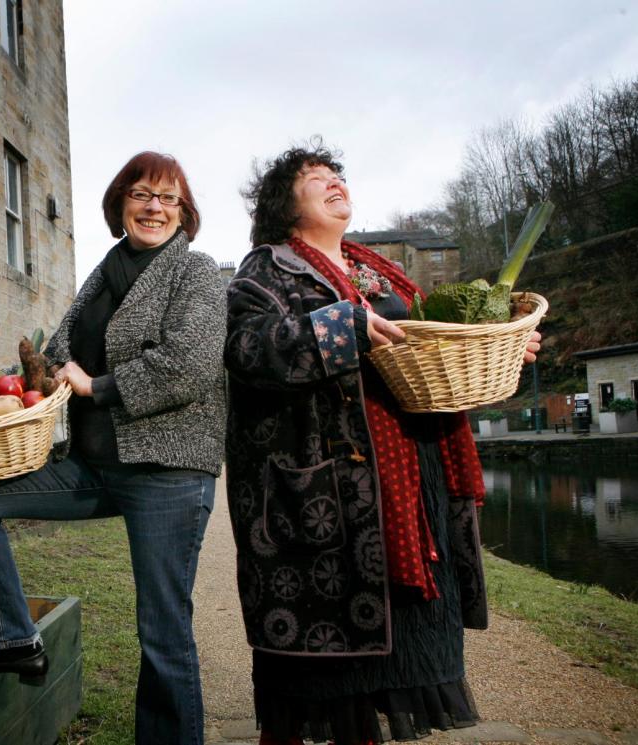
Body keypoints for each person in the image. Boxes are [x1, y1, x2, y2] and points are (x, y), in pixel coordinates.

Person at [222, 142, 540, 745]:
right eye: (316, 178)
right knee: (323, 673)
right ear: (284, 204)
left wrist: (499, 346)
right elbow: (245, 350)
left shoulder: (379, 272)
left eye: (338, 174)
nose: (334, 182)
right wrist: (342, 326)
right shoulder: (266, 268)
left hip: (408, 481)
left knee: (397, 651)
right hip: (330, 491)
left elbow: (431, 354)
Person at [0, 151, 226, 744]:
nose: (154, 207)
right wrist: (7, 391)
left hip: (167, 472)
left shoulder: (194, 273)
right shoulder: (104, 273)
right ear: (120, 205)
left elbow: (189, 365)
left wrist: (96, 384)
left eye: (168, 198)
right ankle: (8, 641)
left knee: (162, 631)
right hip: (92, 466)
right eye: (141, 194)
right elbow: (56, 352)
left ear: (184, 213)